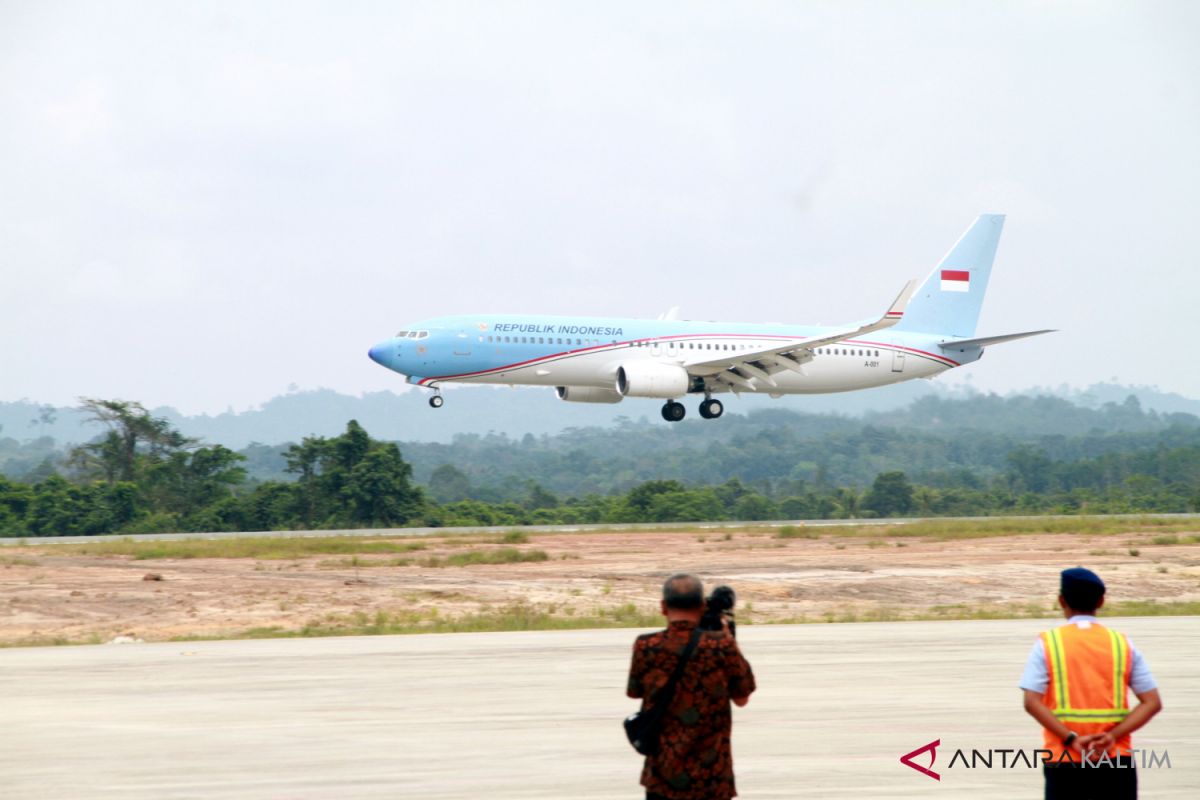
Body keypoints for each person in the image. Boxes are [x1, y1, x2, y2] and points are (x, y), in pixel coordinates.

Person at [1019, 567, 1163, 799]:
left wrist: (1071, 739)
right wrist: (1112, 736)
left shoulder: (1048, 643)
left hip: (1065, 760)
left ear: (1061, 601)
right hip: (1115, 759)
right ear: (1101, 601)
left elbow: (1031, 702)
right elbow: (1152, 702)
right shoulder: (1122, 644)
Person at [626, 573, 756, 800]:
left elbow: (634, 692)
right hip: (711, 776)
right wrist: (729, 639)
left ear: (663, 607)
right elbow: (742, 697)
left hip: (663, 776)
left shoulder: (646, 646)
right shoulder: (720, 645)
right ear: (702, 606)